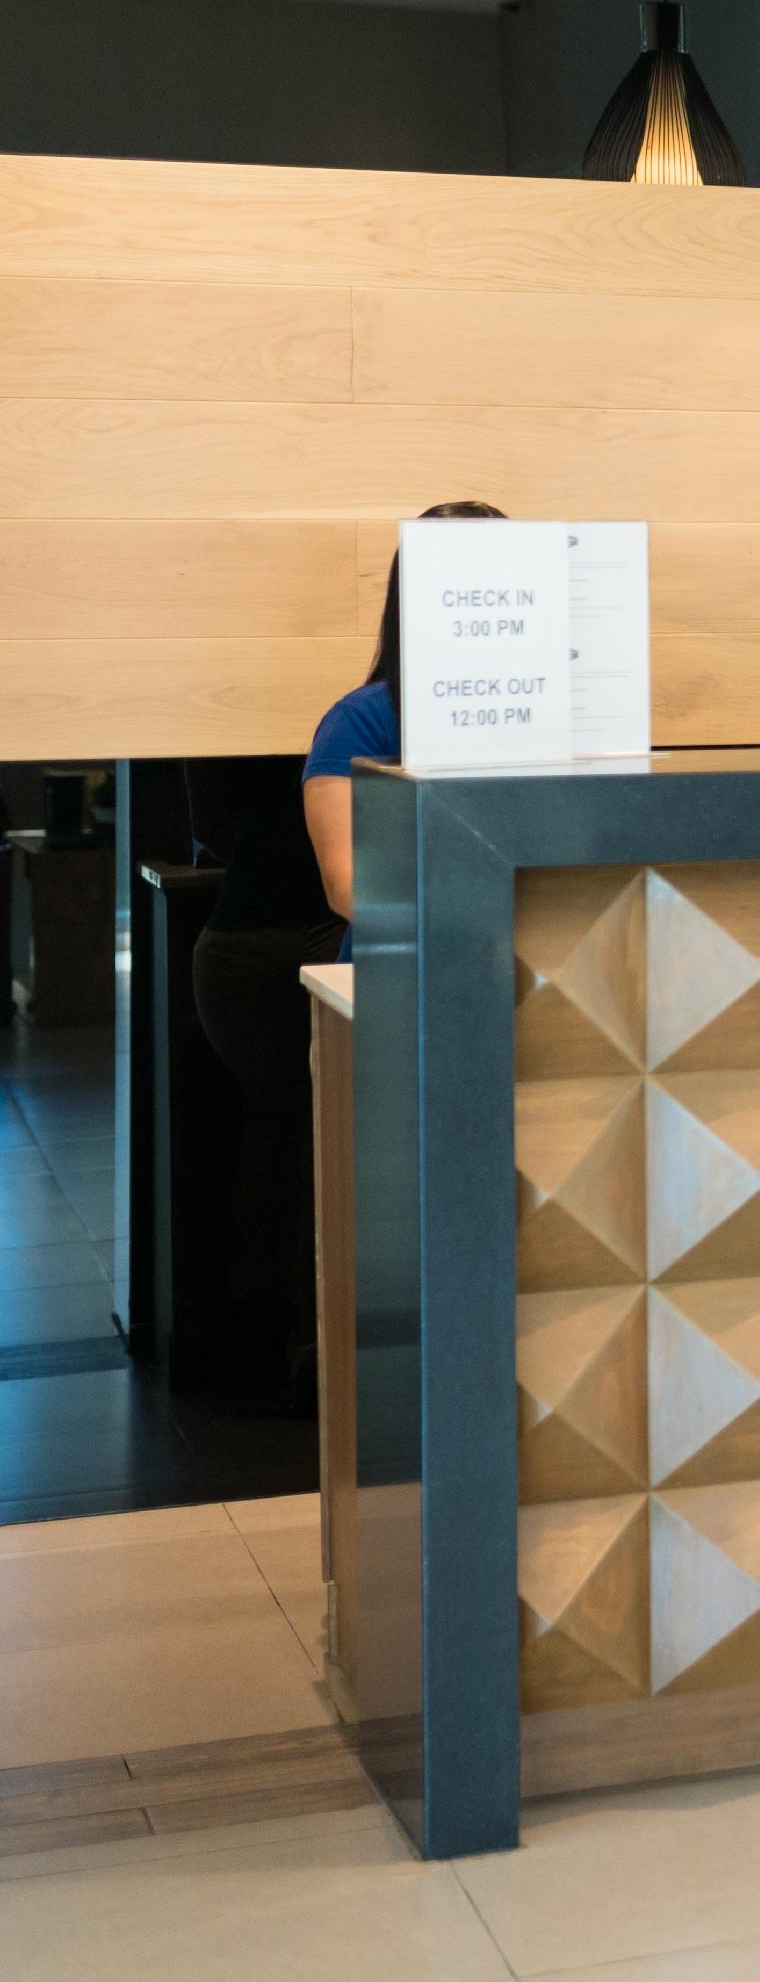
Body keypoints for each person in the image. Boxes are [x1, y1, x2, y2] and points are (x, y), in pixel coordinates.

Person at [189, 497, 507, 1414]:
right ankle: (329, 1364)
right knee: (360, 1181)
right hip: (404, 983)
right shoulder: (364, 721)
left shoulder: (535, 710)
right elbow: (344, 885)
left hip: (501, 978)